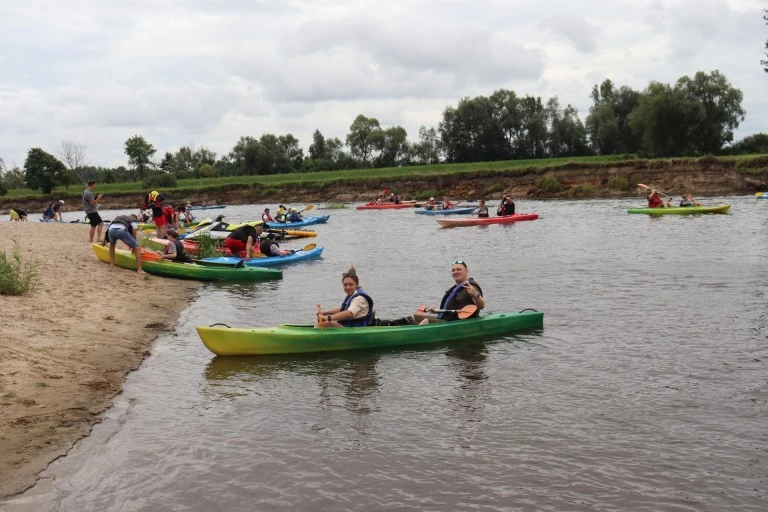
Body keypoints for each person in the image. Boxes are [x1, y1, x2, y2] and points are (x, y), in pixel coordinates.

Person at [373, 259, 485, 326]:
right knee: (414, 318)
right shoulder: (456, 287)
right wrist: (436, 310)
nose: (455, 272)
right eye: (453, 270)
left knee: (415, 318)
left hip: (454, 324)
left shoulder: (471, 286)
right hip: (445, 320)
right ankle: (384, 324)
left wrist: (476, 295)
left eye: (459, 269)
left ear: (467, 271)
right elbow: (452, 308)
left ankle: (385, 326)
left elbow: (481, 306)